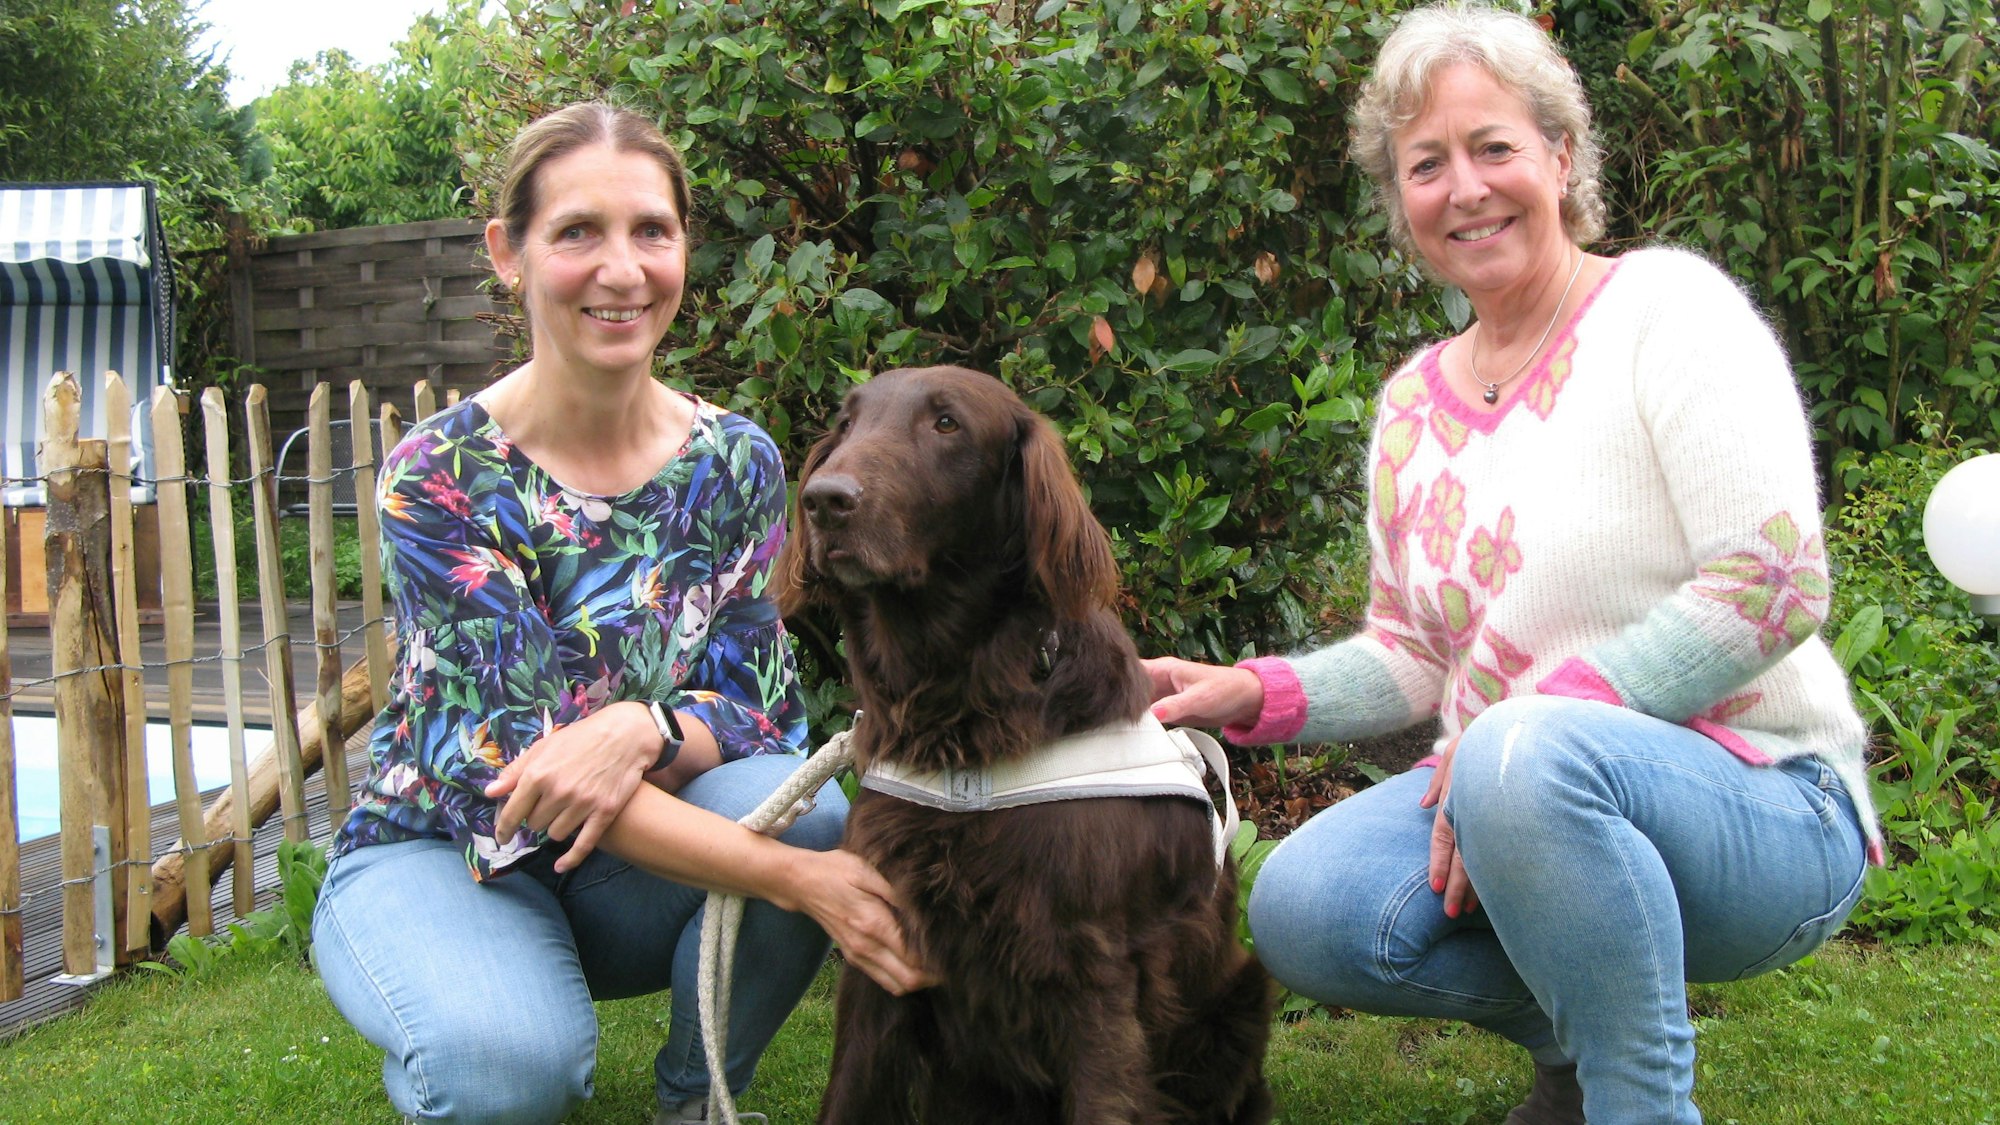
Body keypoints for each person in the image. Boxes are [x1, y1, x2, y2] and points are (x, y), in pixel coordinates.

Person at [1145, 6, 1880, 1123]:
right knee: (1303, 904)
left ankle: (1637, 1102)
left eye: (1493, 146)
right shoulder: (1406, 408)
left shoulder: (1667, 311)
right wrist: (1255, 693)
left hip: (1763, 801)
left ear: (1561, 157)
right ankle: (1581, 1040)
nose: (1465, 186)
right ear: (1400, 203)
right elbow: (1409, 653)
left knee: (1519, 753)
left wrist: (1516, 738)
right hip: (1510, 795)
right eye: (1425, 164)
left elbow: (1771, 582)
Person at [311, 102, 929, 1125]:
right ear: (508, 253)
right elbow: (521, 774)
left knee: (805, 807)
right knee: (506, 1075)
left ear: (684, 246)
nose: (622, 270)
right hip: (445, 850)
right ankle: (478, 1018)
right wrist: (794, 884)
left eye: (651, 230)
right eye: (577, 233)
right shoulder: (442, 476)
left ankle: (695, 1102)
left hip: (623, 868)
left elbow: (758, 718)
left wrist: (635, 726)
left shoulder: (733, 463)